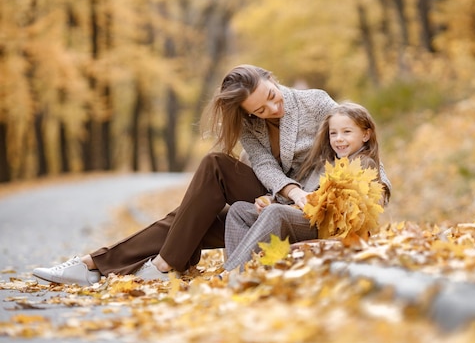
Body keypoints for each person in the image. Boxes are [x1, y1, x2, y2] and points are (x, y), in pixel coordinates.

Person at [32, 65, 390, 286]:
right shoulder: (253, 125)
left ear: (271, 78)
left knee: (193, 216)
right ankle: (125, 262)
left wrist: (378, 191)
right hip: (280, 192)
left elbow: (360, 139)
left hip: (313, 199)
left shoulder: (315, 101)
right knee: (215, 167)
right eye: (260, 109)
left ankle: (103, 263)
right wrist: (290, 192)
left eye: (271, 96)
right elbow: (264, 166)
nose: (272, 108)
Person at [222, 102, 390, 272]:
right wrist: (271, 199)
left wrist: (291, 206)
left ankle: (231, 273)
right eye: (333, 133)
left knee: (275, 212)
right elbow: (299, 188)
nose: (339, 138)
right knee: (238, 211)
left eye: (347, 132)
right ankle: (246, 272)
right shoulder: (324, 162)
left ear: (366, 135)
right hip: (303, 215)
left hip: (325, 225)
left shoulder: (364, 163)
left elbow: (341, 210)